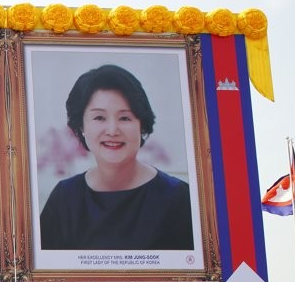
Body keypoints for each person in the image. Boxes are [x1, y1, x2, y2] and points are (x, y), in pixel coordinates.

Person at [40, 64, 192, 251]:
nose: (112, 131)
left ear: (142, 125)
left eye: (125, 118)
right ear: (81, 127)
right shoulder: (64, 198)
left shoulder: (178, 199)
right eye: (99, 118)